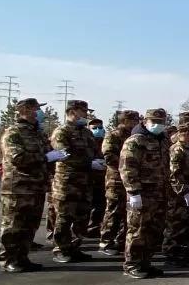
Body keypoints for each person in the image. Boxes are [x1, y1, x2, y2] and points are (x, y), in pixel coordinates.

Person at [0, 98, 63, 272]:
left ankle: (22, 257)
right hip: (18, 188)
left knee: (30, 225)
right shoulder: (13, 133)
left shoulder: (38, 134)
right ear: (25, 110)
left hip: (36, 186)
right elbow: (17, 158)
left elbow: (48, 153)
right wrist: (45, 157)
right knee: (14, 226)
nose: (39, 112)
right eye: (36, 109)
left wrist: (56, 156)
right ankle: (9, 259)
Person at [119, 108, 171, 279]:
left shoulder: (163, 140)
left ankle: (145, 262)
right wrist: (133, 191)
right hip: (142, 193)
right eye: (154, 122)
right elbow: (127, 168)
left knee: (154, 229)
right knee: (138, 229)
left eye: (161, 122)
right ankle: (132, 264)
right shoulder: (136, 141)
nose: (158, 125)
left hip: (159, 192)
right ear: (145, 121)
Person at [50, 100, 103, 262]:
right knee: (65, 217)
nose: (87, 114)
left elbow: (95, 151)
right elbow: (64, 155)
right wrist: (89, 163)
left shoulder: (86, 133)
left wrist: (99, 161)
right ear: (72, 112)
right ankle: (61, 249)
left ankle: (74, 247)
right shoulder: (61, 132)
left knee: (82, 217)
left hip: (85, 182)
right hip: (67, 182)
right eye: (83, 111)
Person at [161, 122, 189, 266]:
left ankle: (184, 253)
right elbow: (174, 174)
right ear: (186, 133)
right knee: (176, 224)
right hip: (179, 196)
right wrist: (184, 191)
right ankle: (172, 254)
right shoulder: (177, 149)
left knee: (188, 225)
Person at [99, 110, 139, 256]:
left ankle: (121, 240)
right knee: (114, 210)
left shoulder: (135, 136)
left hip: (131, 179)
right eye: (133, 120)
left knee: (128, 212)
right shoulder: (113, 135)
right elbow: (109, 156)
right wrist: (127, 164)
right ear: (125, 121)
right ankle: (106, 241)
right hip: (115, 179)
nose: (136, 123)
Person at [87, 117, 107, 235]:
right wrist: (90, 163)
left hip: (102, 179)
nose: (98, 130)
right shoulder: (85, 142)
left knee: (100, 205)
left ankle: (94, 228)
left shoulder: (106, 142)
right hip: (87, 178)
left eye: (100, 127)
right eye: (94, 128)